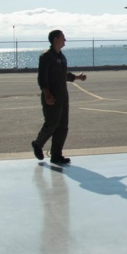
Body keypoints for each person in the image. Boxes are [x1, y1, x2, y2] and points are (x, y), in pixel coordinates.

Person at [31, 30, 86, 165]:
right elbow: (42, 77)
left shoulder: (62, 57)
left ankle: (56, 155)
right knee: (52, 123)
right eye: (63, 37)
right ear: (55, 39)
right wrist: (47, 94)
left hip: (63, 96)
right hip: (52, 96)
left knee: (63, 126)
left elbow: (63, 75)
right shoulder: (46, 57)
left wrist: (77, 77)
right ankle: (38, 143)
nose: (65, 40)